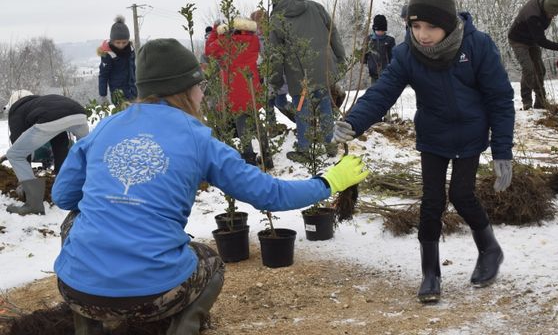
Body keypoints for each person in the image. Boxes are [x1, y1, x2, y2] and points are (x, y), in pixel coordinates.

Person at [52, 38, 369, 335]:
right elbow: (270, 195)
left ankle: (90, 326)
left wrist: (114, 203)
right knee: (211, 262)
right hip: (153, 294)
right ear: (183, 90)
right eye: (199, 86)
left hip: (76, 290)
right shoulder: (198, 139)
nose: (203, 94)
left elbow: (63, 195)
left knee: (75, 222)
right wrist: (330, 181)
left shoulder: (106, 126)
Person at [332, 0, 515, 303]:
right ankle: (430, 273)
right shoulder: (406, 55)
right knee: (431, 201)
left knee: (461, 194)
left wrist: (502, 151)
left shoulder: (477, 46)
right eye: (415, 26)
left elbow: (500, 99)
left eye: (431, 26)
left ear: (448, 24)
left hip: (471, 134)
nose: (423, 34)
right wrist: (354, 122)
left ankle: (490, 249)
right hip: (433, 136)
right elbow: (382, 93)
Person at [268, 0, 346, 162]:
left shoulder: (277, 20)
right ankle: (330, 144)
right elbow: (332, 32)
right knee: (325, 105)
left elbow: (276, 55)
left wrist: (275, 81)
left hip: (299, 74)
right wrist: (340, 58)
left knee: (302, 109)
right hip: (324, 67)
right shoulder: (315, 7)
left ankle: (304, 149)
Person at [1, 92, 89, 215]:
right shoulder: (42, 103)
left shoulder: (17, 110)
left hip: (52, 118)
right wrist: (59, 173)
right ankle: (91, 191)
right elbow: (60, 143)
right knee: (88, 153)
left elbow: (19, 146)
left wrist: (24, 180)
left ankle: (34, 204)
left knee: (15, 154)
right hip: (80, 114)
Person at [205, 17, 272, 168]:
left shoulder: (225, 43)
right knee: (255, 119)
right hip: (251, 86)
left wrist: (216, 31)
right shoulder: (253, 40)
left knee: (241, 121)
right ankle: (267, 154)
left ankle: (249, 157)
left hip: (234, 89)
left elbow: (209, 50)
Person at [508, 0, 558, 110]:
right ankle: (527, 102)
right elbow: (541, 41)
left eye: (554, 14)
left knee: (540, 70)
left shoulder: (547, 0)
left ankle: (540, 102)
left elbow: (553, 7)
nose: (552, 17)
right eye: (551, 14)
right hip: (518, 40)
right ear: (544, 10)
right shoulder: (533, 16)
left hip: (531, 39)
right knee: (529, 69)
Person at [97, 15, 138, 104]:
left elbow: (133, 69)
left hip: (133, 90)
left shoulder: (130, 50)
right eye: (118, 42)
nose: (121, 45)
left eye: (124, 42)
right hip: (118, 94)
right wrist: (103, 95)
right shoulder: (108, 54)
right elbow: (103, 75)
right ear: (112, 41)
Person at [364, 14, 396, 85]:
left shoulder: (390, 40)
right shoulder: (368, 40)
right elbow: (364, 57)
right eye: (378, 30)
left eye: (382, 30)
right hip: (374, 74)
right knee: (375, 93)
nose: (380, 32)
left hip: (387, 75)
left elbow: (394, 57)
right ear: (374, 29)